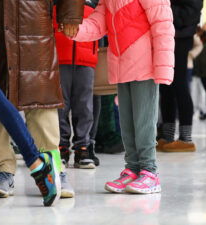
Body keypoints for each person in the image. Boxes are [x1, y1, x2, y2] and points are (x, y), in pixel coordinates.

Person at [0, 0, 83, 199]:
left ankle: (54, 168)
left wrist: (71, 14)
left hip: (34, 21)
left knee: (41, 100)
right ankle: (1, 169)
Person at [71, 0, 175, 194]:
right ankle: (133, 168)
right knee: (127, 124)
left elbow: (163, 26)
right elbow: (97, 23)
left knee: (143, 121)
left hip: (145, 64)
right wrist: (75, 30)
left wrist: (163, 67)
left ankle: (149, 171)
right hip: (121, 65)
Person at [54, 0, 100, 169]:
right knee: (60, 105)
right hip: (60, 52)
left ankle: (83, 147)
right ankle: (61, 146)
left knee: (85, 105)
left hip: (87, 54)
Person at [157, 0, 203, 153]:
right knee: (165, 85)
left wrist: (165, 9)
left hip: (181, 37)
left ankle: (186, 138)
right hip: (166, 35)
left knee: (179, 84)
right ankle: (168, 136)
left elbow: (190, 13)